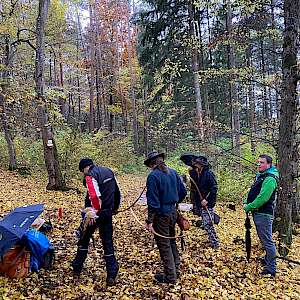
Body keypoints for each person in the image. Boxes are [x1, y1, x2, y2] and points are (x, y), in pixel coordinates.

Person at [72, 158, 121, 286]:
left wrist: (94, 212)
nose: (83, 173)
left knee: (84, 239)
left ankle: (77, 268)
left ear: (85, 168)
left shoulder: (90, 175)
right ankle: (111, 274)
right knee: (107, 243)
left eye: (82, 171)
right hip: (107, 213)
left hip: (93, 214)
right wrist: (115, 208)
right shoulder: (109, 171)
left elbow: (93, 196)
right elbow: (117, 192)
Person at [144, 151, 187, 284]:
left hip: (161, 215)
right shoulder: (173, 172)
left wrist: (150, 221)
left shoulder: (153, 176)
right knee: (172, 241)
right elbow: (183, 192)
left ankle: (170, 276)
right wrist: (174, 203)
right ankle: (176, 270)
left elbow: (153, 202)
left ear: (152, 164)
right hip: (173, 212)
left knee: (164, 245)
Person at [244, 154, 279, 277]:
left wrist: (249, 206)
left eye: (262, 162)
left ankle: (271, 269)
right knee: (265, 240)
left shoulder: (270, 178)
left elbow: (263, 198)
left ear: (269, 164)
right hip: (259, 212)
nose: (259, 164)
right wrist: (246, 201)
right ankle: (268, 260)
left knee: (267, 241)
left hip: (264, 213)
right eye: (258, 162)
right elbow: (254, 192)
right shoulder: (262, 176)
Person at [189, 155, 219, 249]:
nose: (195, 165)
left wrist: (207, 200)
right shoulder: (197, 172)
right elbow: (195, 186)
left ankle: (215, 244)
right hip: (200, 203)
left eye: (197, 163)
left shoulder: (208, 174)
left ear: (201, 165)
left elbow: (214, 188)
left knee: (208, 224)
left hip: (207, 203)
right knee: (207, 223)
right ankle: (213, 241)